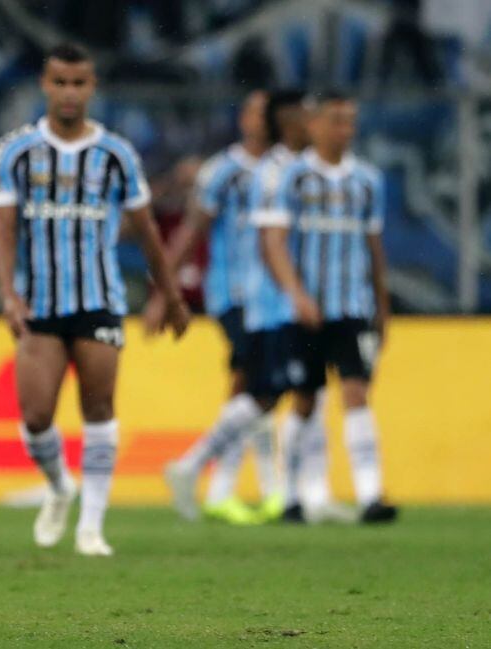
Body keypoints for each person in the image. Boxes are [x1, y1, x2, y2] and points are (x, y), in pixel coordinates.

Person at [0, 42, 190, 557]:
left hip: (99, 299)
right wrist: (9, 293)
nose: (70, 92)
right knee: (35, 416)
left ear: (92, 87)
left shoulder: (116, 155)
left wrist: (170, 295)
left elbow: (147, 232)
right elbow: (4, 228)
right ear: (45, 85)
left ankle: (92, 527)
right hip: (39, 302)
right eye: (60, 82)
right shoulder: (15, 151)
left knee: (99, 407)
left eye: (79, 83)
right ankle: (59, 487)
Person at [259, 91, 397, 523]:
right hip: (307, 310)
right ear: (314, 125)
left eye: (350, 120)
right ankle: (289, 496)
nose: (345, 129)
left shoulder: (368, 181)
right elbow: (275, 242)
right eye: (336, 120)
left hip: (351, 306)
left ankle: (371, 495)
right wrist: (296, 295)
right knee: (304, 399)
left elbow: (374, 248)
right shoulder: (292, 178)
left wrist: (383, 305)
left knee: (356, 391)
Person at [157, 91, 283, 524]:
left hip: (279, 296)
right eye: (250, 110)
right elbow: (192, 230)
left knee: (259, 387)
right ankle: (216, 481)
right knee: (257, 384)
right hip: (234, 293)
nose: (258, 119)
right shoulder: (221, 171)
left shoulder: (288, 168)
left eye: (264, 111)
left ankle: (240, 487)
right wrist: (165, 292)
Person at [244, 90, 349, 524]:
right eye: (309, 116)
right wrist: (292, 294)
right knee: (268, 395)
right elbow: (270, 243)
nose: (316, 124)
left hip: (309, 300)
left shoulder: (310, 171)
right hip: (278, 304)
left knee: (310, 394)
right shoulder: (275, 173)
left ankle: (311, 492)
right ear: (291, 122)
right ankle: (281, 489)